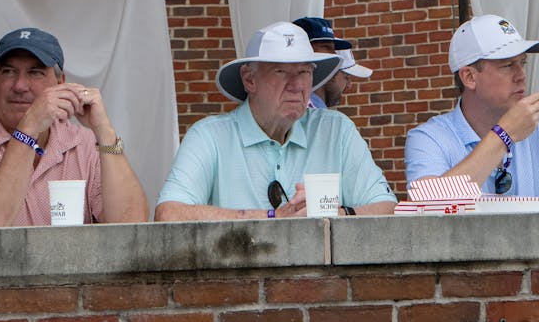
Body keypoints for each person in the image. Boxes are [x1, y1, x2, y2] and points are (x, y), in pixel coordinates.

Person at [155, 22, 396, 219]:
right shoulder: (209, 136)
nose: (297, 85)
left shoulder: (336, 130)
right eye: (280, 71)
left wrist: (334, 214)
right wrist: (273, 218)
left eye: (304, 72)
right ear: (249, 79)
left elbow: (387, 209)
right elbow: (169, 214)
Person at [0, 27, 148, 227]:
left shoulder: (85, 143)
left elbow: (131, 225)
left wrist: (104, 132)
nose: (20, 86)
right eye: (8, 71)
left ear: (60, 83)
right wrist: (30, 127)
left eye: (35, 72)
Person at [405, 15, 539, 210]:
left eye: (522, 63)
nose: (521, 75)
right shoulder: (429, 137)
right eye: (508, 65)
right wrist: (503, 135)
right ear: (469, 77)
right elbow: (424, 207)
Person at [294, 16, 349, 110]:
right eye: (326, 47)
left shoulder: (313, 102)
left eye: (333, 49)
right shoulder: (295, 100)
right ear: (305, 47)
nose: (334, 53)